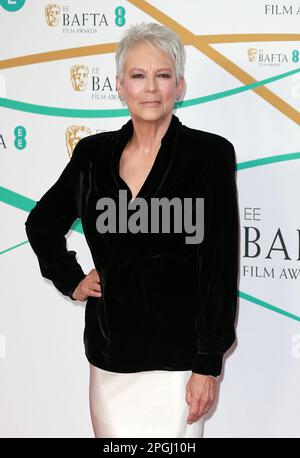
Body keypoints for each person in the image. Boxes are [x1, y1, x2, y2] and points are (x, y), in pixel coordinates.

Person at [25, 22, 239, 438]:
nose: (151, 89)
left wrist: (207, 364)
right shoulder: (92, 156)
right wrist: (70, 278)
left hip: (180, 365)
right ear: (121, 86)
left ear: (179, 85)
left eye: (162, 76)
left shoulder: (209, 156)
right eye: (139, 76)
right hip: (111, 361)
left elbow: (220, 263)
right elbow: (41, 223)